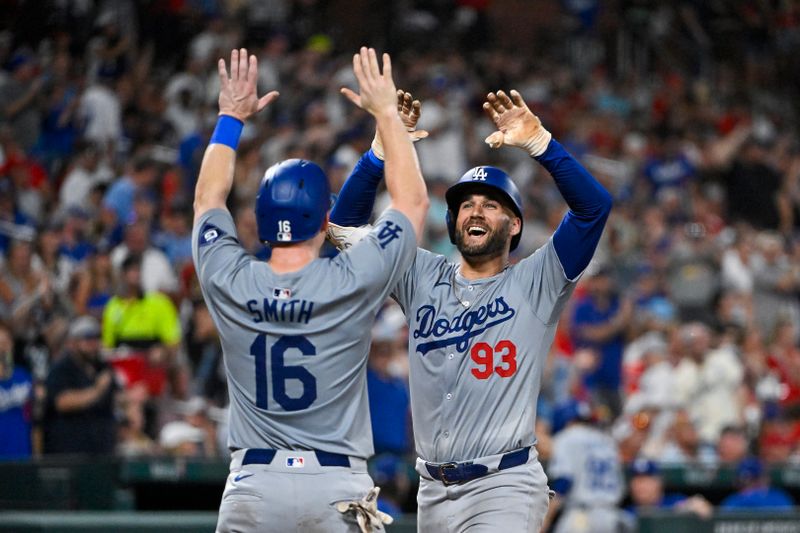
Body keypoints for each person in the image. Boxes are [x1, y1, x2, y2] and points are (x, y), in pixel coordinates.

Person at [329, 89, 612, 531]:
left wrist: (540, 143)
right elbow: (343, 227)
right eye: (466, 204)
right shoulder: (418, 272)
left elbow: (594, 207)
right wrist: (381, 151)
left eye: (490, 204)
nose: (475, 210)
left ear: (514, 224)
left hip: (504, 483)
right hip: (432, 491)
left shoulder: (537, 280)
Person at [191, 47, 428, 533]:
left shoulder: (229, 276)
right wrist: (386, 114)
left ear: (257, 222)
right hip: (336, 485)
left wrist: (230, 117)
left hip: (253, 481)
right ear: (326, 219)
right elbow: (412, 201)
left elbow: (207, 198)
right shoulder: (350, 277)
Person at [545, 401, 629, 533]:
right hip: (612, 515)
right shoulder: (607, 441)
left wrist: (545, 519)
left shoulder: (566, 437)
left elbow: (564, 481)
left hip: (581, 518)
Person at [43, 315, 119, 454]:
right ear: (72, 343)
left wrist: (130, 400)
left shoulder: (102, 366)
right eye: (87, 338)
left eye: (97, 338)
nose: (93, 343)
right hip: (70, 451)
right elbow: (62, 402)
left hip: (101, 449)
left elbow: (115, 399)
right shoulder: (62, 368)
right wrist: (97, 391)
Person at [719, 456, 795, 511]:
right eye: (745, 482)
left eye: (754, 480)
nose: (749, 486)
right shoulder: (733, 501)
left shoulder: (778, 499)